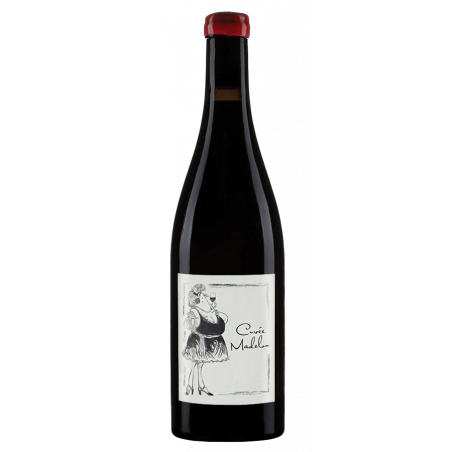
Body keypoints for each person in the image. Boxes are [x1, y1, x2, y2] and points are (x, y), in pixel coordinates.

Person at [182, 284, 229, 396]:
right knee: (194, 363)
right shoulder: (195, 312)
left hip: (206, 342)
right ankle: (190, 386)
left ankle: (200, 386)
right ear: (198, 300)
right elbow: (186, 325)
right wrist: (191, 318)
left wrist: (214, 312)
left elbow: (224, 320)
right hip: (197, 341)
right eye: (203, 296)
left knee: (199, 364)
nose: (206, 297)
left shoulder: (211, 312)